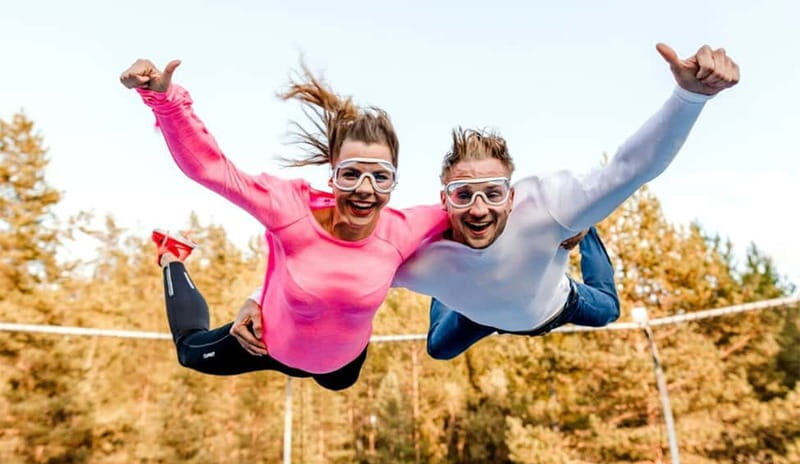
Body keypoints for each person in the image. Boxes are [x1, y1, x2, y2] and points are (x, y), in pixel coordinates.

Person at [230, 42, 739, 360]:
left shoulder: (548, 208)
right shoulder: (409, 249)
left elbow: (634, 167)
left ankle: (591, 233)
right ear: (443, 198)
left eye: (493, 194)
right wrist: (257, 298)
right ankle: (450, 293)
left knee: (608, 309)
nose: (478, 208)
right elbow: (323, 260)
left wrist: (689, 98)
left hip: (552, 306)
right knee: (437, 348)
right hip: (478, 312)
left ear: (511, 195)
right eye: (463, 194)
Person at [120, 60, 449, 390]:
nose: (365, 189)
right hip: (264, 345)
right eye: (351, 174)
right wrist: (163, 99)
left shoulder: (404, 230)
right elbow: (210, 168)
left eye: (380, 177)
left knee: (339, 382)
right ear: (333, 177)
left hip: (340, 364)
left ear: (393, 184)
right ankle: (172, 257)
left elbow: (484, 209)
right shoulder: (290, 209)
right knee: (190, 352)